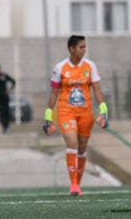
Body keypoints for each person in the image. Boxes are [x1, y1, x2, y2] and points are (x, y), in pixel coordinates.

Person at [42, 35, 109, 196]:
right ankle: (73, 184)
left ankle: (77, 184)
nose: (84, 50)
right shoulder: (60, 68)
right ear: (71, 49)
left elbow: (97, 90)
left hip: (86, 113)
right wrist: (48, 116)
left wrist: (104, 110)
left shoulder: (90, 66)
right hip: (66, 112)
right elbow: (53, 94)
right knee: (72, 143)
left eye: (85, 47)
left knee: (82, 148)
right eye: (81, 47)